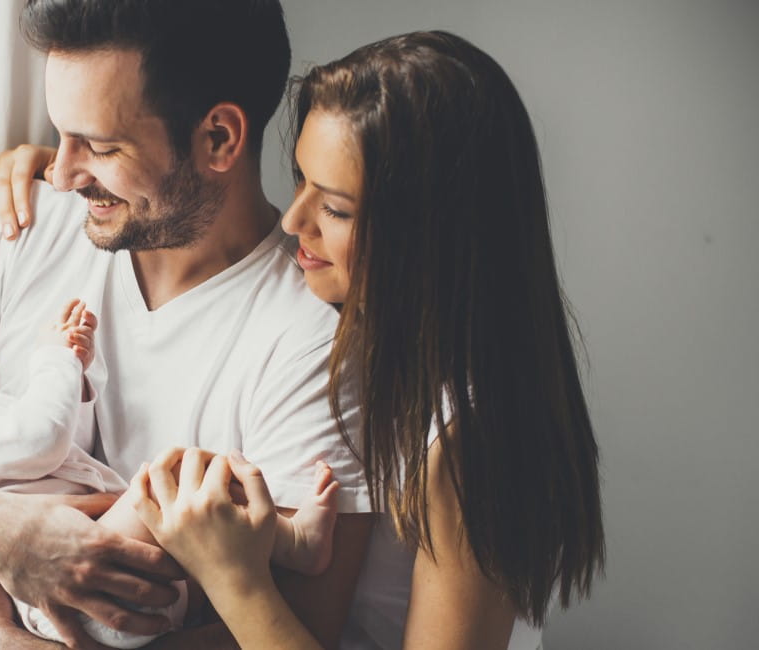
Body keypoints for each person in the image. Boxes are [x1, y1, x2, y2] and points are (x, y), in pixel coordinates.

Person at [0, 1, 379, 648]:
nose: (59, 171)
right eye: (61, 135)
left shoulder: (312, 342)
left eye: (101, 146)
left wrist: (1, 641)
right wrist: (1, 534)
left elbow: (297, 628)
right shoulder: (21, 216)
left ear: (219, 138)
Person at [120, 31, 607, 649]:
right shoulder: (383, 355)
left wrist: (233, 576)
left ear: (432, 233)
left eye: (338, 209)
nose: (294, 221)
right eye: (300, 180)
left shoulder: (467, 445)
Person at [0, 297, 342, 648]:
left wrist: (75, 374)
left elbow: (57, 449)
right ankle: (293, 543)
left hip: (83, 604)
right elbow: (41, 438)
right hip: (84, 595)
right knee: (171, 479)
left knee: (189, 519)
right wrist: (53, 359)